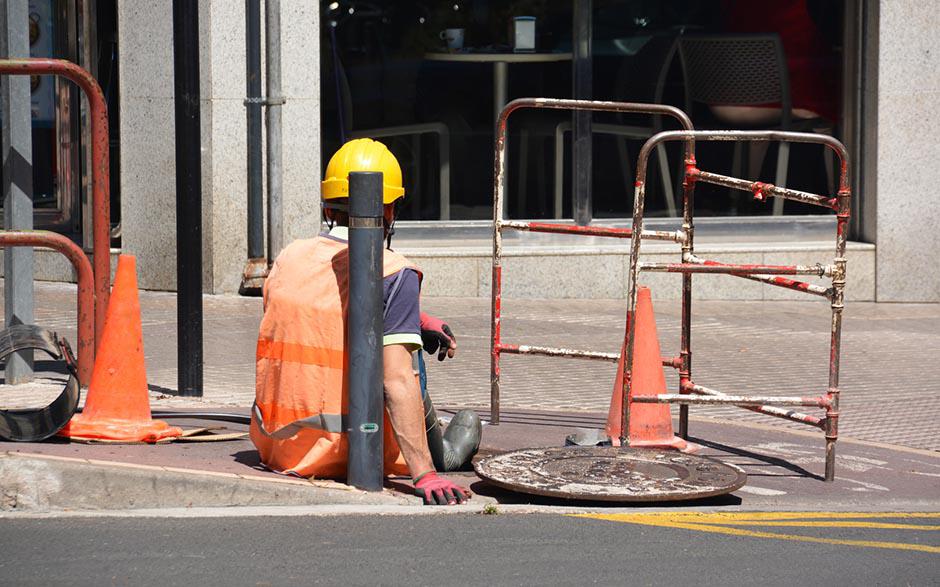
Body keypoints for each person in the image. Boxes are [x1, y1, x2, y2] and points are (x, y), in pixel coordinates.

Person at [250, 138, 481, 506]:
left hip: (279, 445)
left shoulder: (289, 257)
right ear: (389, 209)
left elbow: (320, 313)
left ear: (328, 205)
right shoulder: (395, 271)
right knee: (405, 354)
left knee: (402, 326)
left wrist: (414, 318)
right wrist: (424, 475)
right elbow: (396, 380)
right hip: (352, 449)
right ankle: (443, 454)